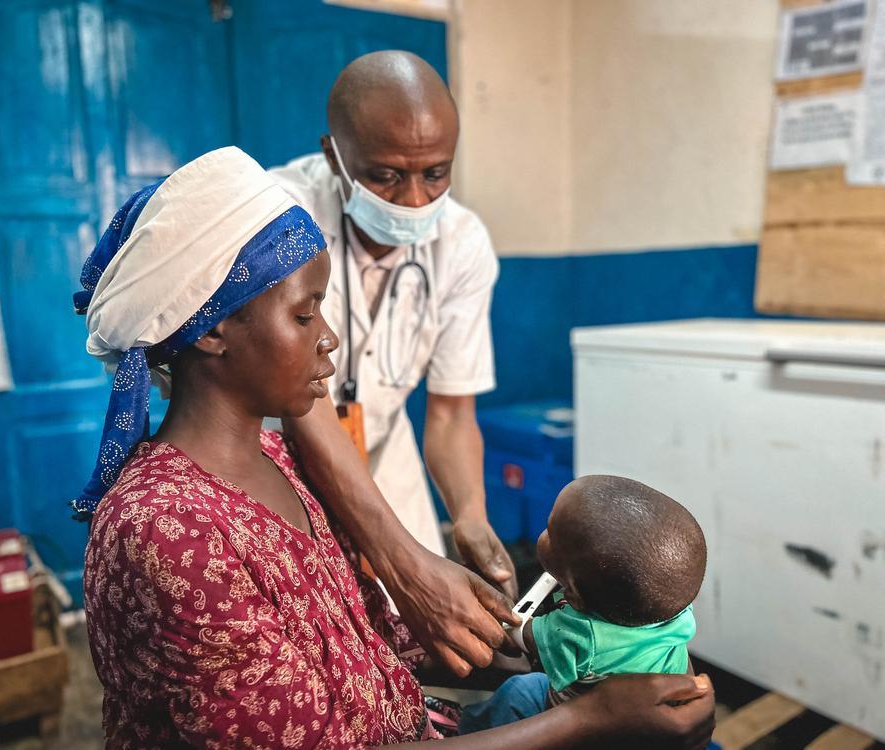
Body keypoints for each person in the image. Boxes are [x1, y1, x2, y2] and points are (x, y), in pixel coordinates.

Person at [78, 147, 716, 748]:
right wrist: (589, 719)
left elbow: (364, 644)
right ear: (214, 329)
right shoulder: (168, 532)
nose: (329, 340)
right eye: (304, 315)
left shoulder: (278, 463)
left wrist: (548, 661)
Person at [271, 50, 517, 601]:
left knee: (416, 637)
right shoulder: (280, 217)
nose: (414, 200)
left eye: (435, 174)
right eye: (385, 177)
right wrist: (397, 558)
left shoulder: (461, 243)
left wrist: (471, 520)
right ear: (333, 158)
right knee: (318, 641)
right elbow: (304, 405)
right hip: (274, 455)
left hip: (382, 450)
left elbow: (452, 411)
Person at [459, 476, 708, 734]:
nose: (544, 534)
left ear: (575, 596)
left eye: (551, 533)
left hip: (575, 730)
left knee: (521, 691)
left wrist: (503, 622)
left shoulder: (579, 637)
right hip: (646, 728)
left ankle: (465, 730)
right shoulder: (670, 608)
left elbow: (517, 635)